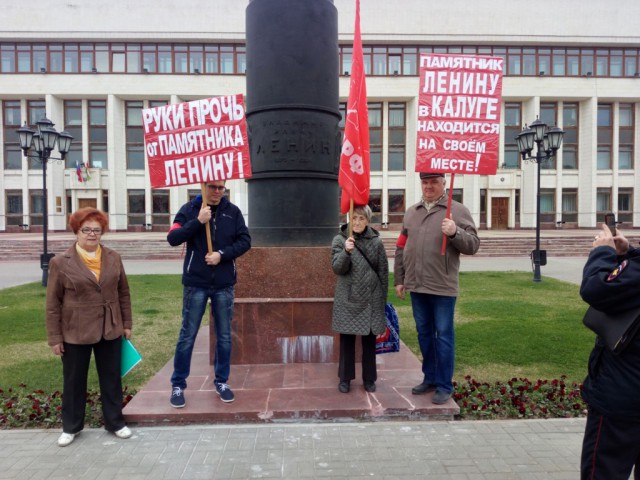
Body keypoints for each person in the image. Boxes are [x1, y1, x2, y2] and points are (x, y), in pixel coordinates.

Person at [45, 207, 133, 447]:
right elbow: (53, 303)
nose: (92, 234)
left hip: (110, 327)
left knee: (111, 378)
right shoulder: (60, 262)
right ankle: (71, 427)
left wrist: (127, 323)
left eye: (97, 230)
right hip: (75, 331)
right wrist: (55, 338)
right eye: (87, 230)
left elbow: (123, 292)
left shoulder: (113, 257)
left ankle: (115, 422)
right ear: (76, 231)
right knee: (73, 380)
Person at [394, 172, 479, 404]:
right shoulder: (412, 212)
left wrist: (455, 232)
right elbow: (402, 247)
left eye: (433, 182)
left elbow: (473, 245)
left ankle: (443, 384)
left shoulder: (457, 211)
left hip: (442, 286)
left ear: (444, 184)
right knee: (424, 334)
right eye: (425, 182)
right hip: (417, 285)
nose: (428, 186)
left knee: (443, 336)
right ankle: (430, 378)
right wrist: (400, 279)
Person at [168, 180, 251, 407]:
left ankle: (222, 381)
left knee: (224, 336)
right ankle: (178, 384)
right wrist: (198, 222)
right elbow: (173, 239)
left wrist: (221, 255)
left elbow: (245, 241)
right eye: (212, 187)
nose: (217, 191)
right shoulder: (188, 210)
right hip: (196, 283)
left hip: (224, 283)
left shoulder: (232, 212)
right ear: (203, 186)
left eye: (221, 187)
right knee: (188, 335)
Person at [579, 224, 640, 479]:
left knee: (604, 471)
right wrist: (631, 254)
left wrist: (602, 253)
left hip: (623, 397)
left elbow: (597, 288)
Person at [331, 204, 388, 393]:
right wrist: (346, 252)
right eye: (354, 217)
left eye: (361, 218)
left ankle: (369, 379)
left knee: (369, 342)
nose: (357, 222)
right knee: (347, 340)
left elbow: (383, 273)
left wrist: (382, 301)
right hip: (349, 300)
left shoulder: (376, 242)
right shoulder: (340, 240)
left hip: (371, 298)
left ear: (368, 221)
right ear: (348, 218)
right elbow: (338, 269)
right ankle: (345, 378)